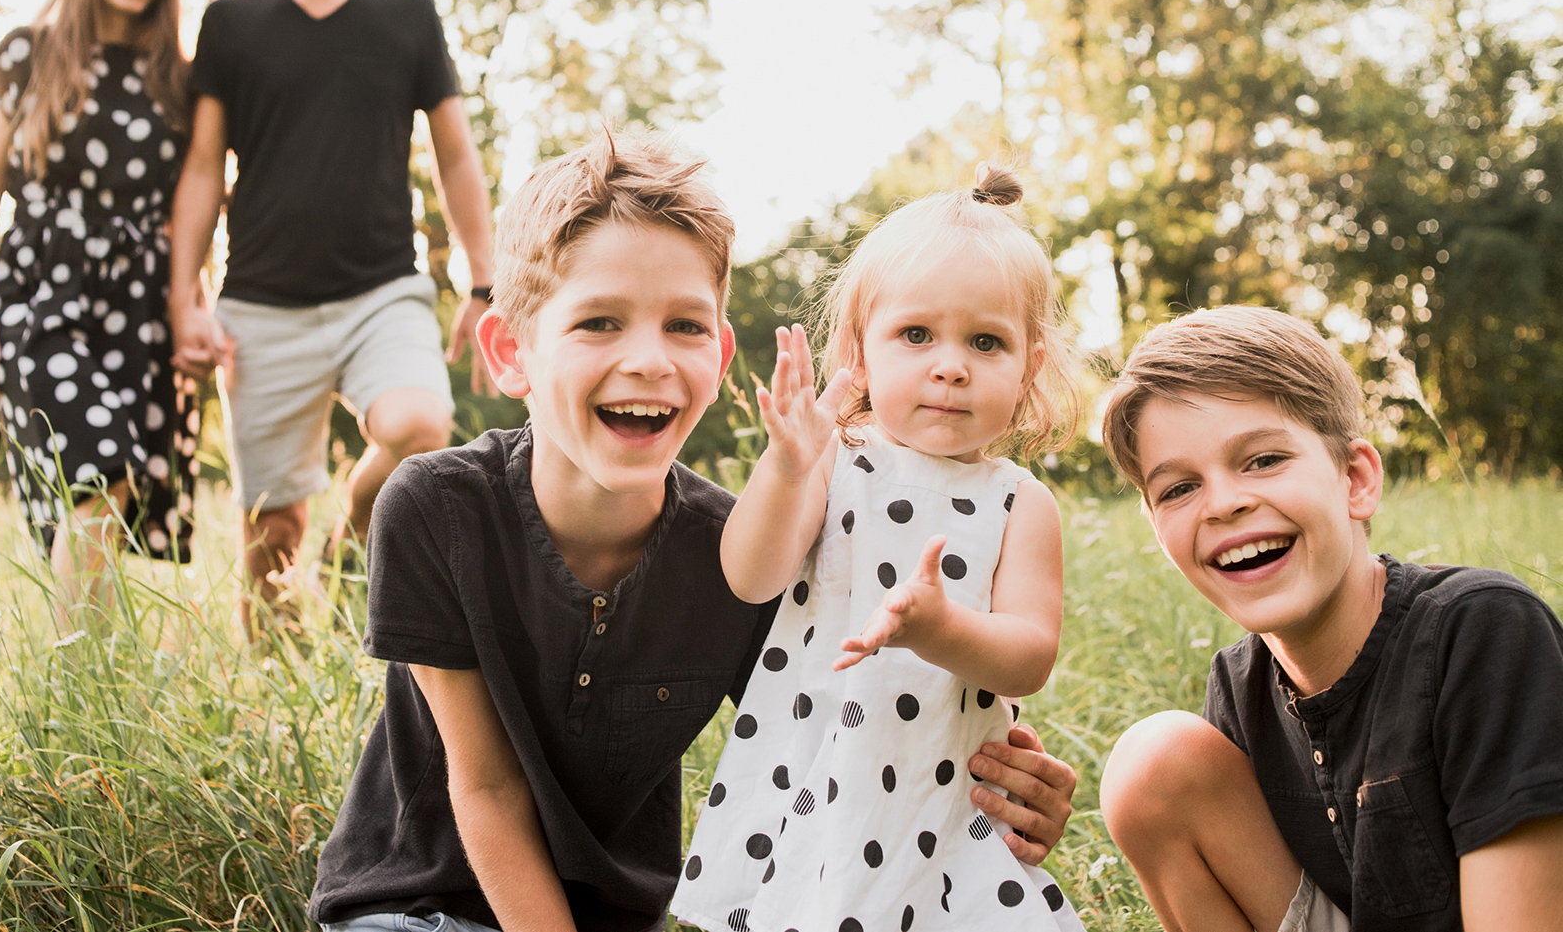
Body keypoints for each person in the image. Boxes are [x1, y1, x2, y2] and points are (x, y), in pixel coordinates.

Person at [305, 135, 1080, 932]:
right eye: (599, 321)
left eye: (685, 325)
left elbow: (843, 697)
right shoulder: (436, 509)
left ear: (721, 354)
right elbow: (490, 790)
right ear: (511, 352)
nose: (648, 359)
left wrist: (1013, 775)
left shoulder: (737, 550)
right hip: (412, 906)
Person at [672, 165, 1086, 931]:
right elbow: (750, 575)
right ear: (860, 351)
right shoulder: (836, 459)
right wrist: (786, 467)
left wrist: (940, 629)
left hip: (946, 798)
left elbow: (1029, 653)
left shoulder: (1020, 502)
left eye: (986, 341)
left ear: (1028, 367)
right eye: (917, 334)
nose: (950, 363)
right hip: (816, 778)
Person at [1095, 305, 1563, 932]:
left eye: (1262, 460)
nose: (1226, 503)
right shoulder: (1239, 693)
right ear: (1158, 530)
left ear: (1355, 479)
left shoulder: (1480, 630)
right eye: (1179, 488)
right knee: (1151, 760)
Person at [168, 0, 495, 632]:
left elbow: (455, 157)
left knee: (421, 427)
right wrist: (187, 295)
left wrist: (483, 280)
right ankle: (278, 700)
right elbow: (204, 168)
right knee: (270, 529)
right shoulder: (230, 22)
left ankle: (349, 548)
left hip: (381, 287)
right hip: (260, 304)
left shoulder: (407, 15)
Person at [0, 0, 200, 621]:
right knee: (98, 471)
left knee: (114, 498)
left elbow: (190, 209)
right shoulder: (27, 52)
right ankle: (77, 682)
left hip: (139, 302)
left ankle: (91, 682)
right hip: (39, 291)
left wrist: (194, 308)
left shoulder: (176, 78)